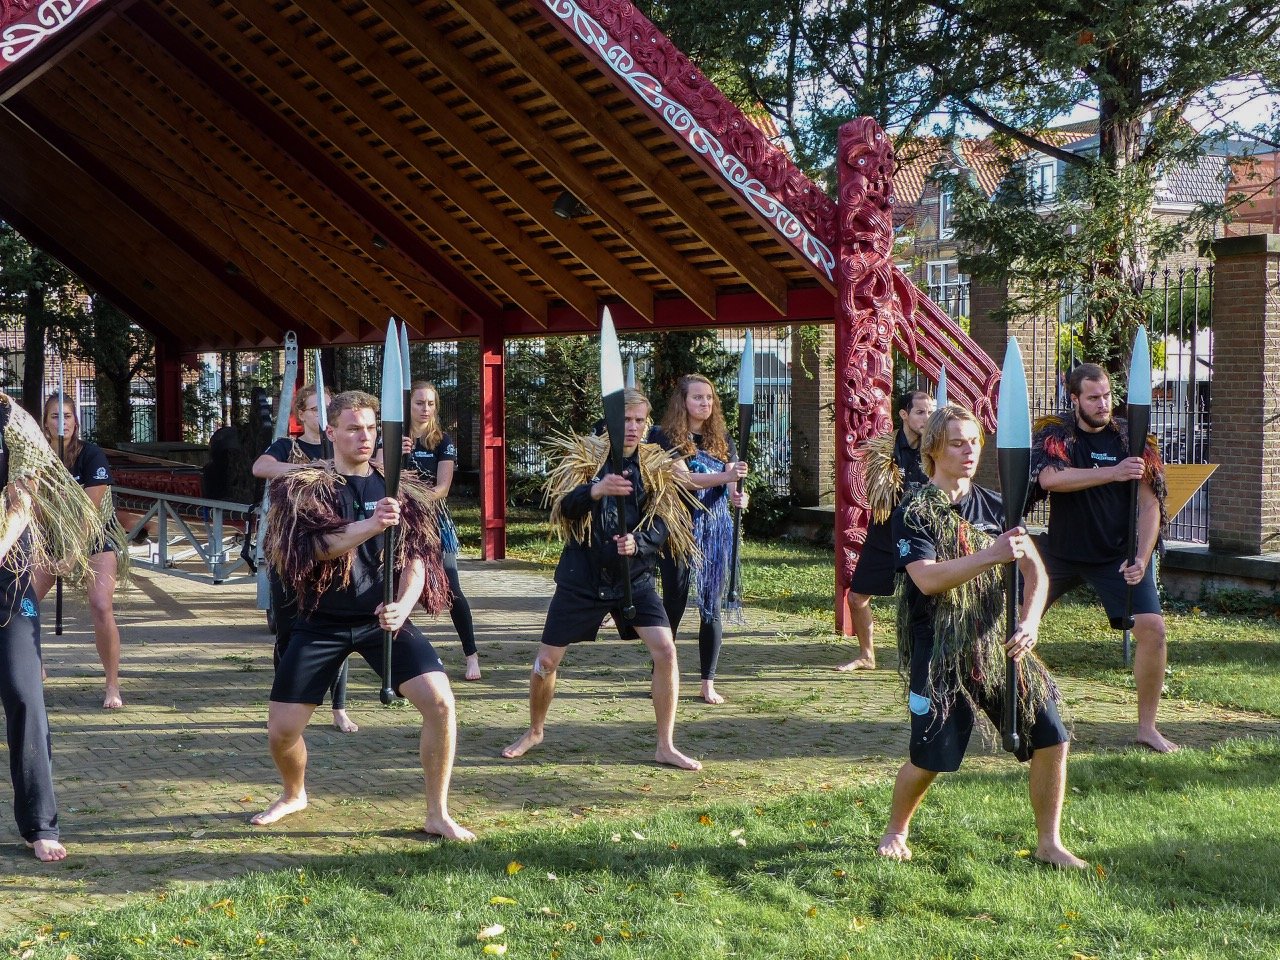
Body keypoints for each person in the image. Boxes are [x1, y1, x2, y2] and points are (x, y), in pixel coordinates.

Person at [252, 391, 472, 840]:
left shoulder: (400, 487)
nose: (364, 437)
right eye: (353, 428)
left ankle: (437, 812)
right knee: (281, 731)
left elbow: (415, 561)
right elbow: (315, 547)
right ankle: (295, 793)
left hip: (381, 618)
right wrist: (371, 525)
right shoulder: (305, 486)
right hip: (319, 620)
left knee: (442, 703)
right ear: (331, 433)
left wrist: (403, 606)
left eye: (371, 428)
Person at [876, 405, 1085, 869]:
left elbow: (1036, 572)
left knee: (1052, 732)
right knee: (932, 756)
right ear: (933, 448)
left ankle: (1049, 843)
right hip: (939, 649)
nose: (969, 450)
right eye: (957, 442)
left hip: (998, 642)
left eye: (974, 441)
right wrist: (991, 555)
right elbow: (927, 579)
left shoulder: (997, 505)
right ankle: (896, 829)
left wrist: (1030, 622)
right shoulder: (914, 509)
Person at [502, 389, 702, 769]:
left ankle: (665, 744)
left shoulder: (657, 466)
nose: (632, 427)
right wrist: (596, 490)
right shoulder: (585, 460)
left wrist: (639, 542)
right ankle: (535, 730)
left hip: (634, 578)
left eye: (639, 421)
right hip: (583, 578)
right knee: (546, 661)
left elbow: (665, 524)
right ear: (611, 420)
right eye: (625, 420)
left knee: (667, 650)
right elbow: (564, 508)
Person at [1031, 363, 1176, 753]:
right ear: (1074, 398)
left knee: (1153, 630)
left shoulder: (1132, 438)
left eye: (1107, 395)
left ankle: (1147, 728)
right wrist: (1112, 473)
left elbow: (1150, 507)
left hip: (1117, 556)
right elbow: (1050, 479)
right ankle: (1017, 713)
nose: (1102, 403)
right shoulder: (1057, 434)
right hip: (1059, 554)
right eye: (1093, 397)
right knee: (1015, 625)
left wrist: (1142, 558)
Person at [0, 391, 110, 861]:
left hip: (7, 572)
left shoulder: (11, 418)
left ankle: (40, 823)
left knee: (25, 693)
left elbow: (25, 498)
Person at [251, 385, 355, 734]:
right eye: (314, 409)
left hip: (335, 548)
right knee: (288, 631)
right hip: (291, 548)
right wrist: (310, 468)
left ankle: (339, 708)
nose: (321, 414)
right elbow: (261, 467)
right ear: (301, 414)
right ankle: (283, 704)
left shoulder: (341, 444)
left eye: (327, 408)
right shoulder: (287, 446)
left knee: (338, 629)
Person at [650, 375, 748, 705]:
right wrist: (728, 476)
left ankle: (708, 682)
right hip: (677, 528)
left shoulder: (721, 438)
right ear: (683, 401)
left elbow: (734, 484)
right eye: (697, 398)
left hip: (715, 528)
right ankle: (662, 674)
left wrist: (738, 495)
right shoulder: (663, 437)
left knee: (711, 606)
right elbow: (686, 479)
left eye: (709, 397)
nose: (704, 403)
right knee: (674, 600)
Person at [32, 393, 128, 709]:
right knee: (20, 601)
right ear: (45, 423)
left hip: (95, 537)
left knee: (101, 604)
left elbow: (89, 511)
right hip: (52, 537)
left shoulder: (92, 455)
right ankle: (33, 662)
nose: (63, 422)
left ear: (77, 421)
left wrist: (73, 555)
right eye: (55, 416)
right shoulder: (37, 459)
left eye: (68, 416)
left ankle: (112, 686)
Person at [836, 389, 935, 672]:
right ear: (903, 414)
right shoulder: (884, 449)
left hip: (923, 535)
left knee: (928, 601)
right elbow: (880, 495)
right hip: (886, 532)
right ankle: (867, 655)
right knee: (857, 597)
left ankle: (930, 658)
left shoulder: (938, 446)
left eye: (930, 412)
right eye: (920, 412)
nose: (927, 418)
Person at [401, 381, 480, 681]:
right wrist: (396, 453)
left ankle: (471, 655)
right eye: (420, 403)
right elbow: (378, 474)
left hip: (433, 521)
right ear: (409, 405)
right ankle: (399, 659)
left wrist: (413, 497)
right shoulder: (393, 437)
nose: (425, 409)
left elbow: (442, 488)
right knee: (397, 589)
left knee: (452, 589)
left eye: (430, 403)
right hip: (400, 524)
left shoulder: (442, 440)